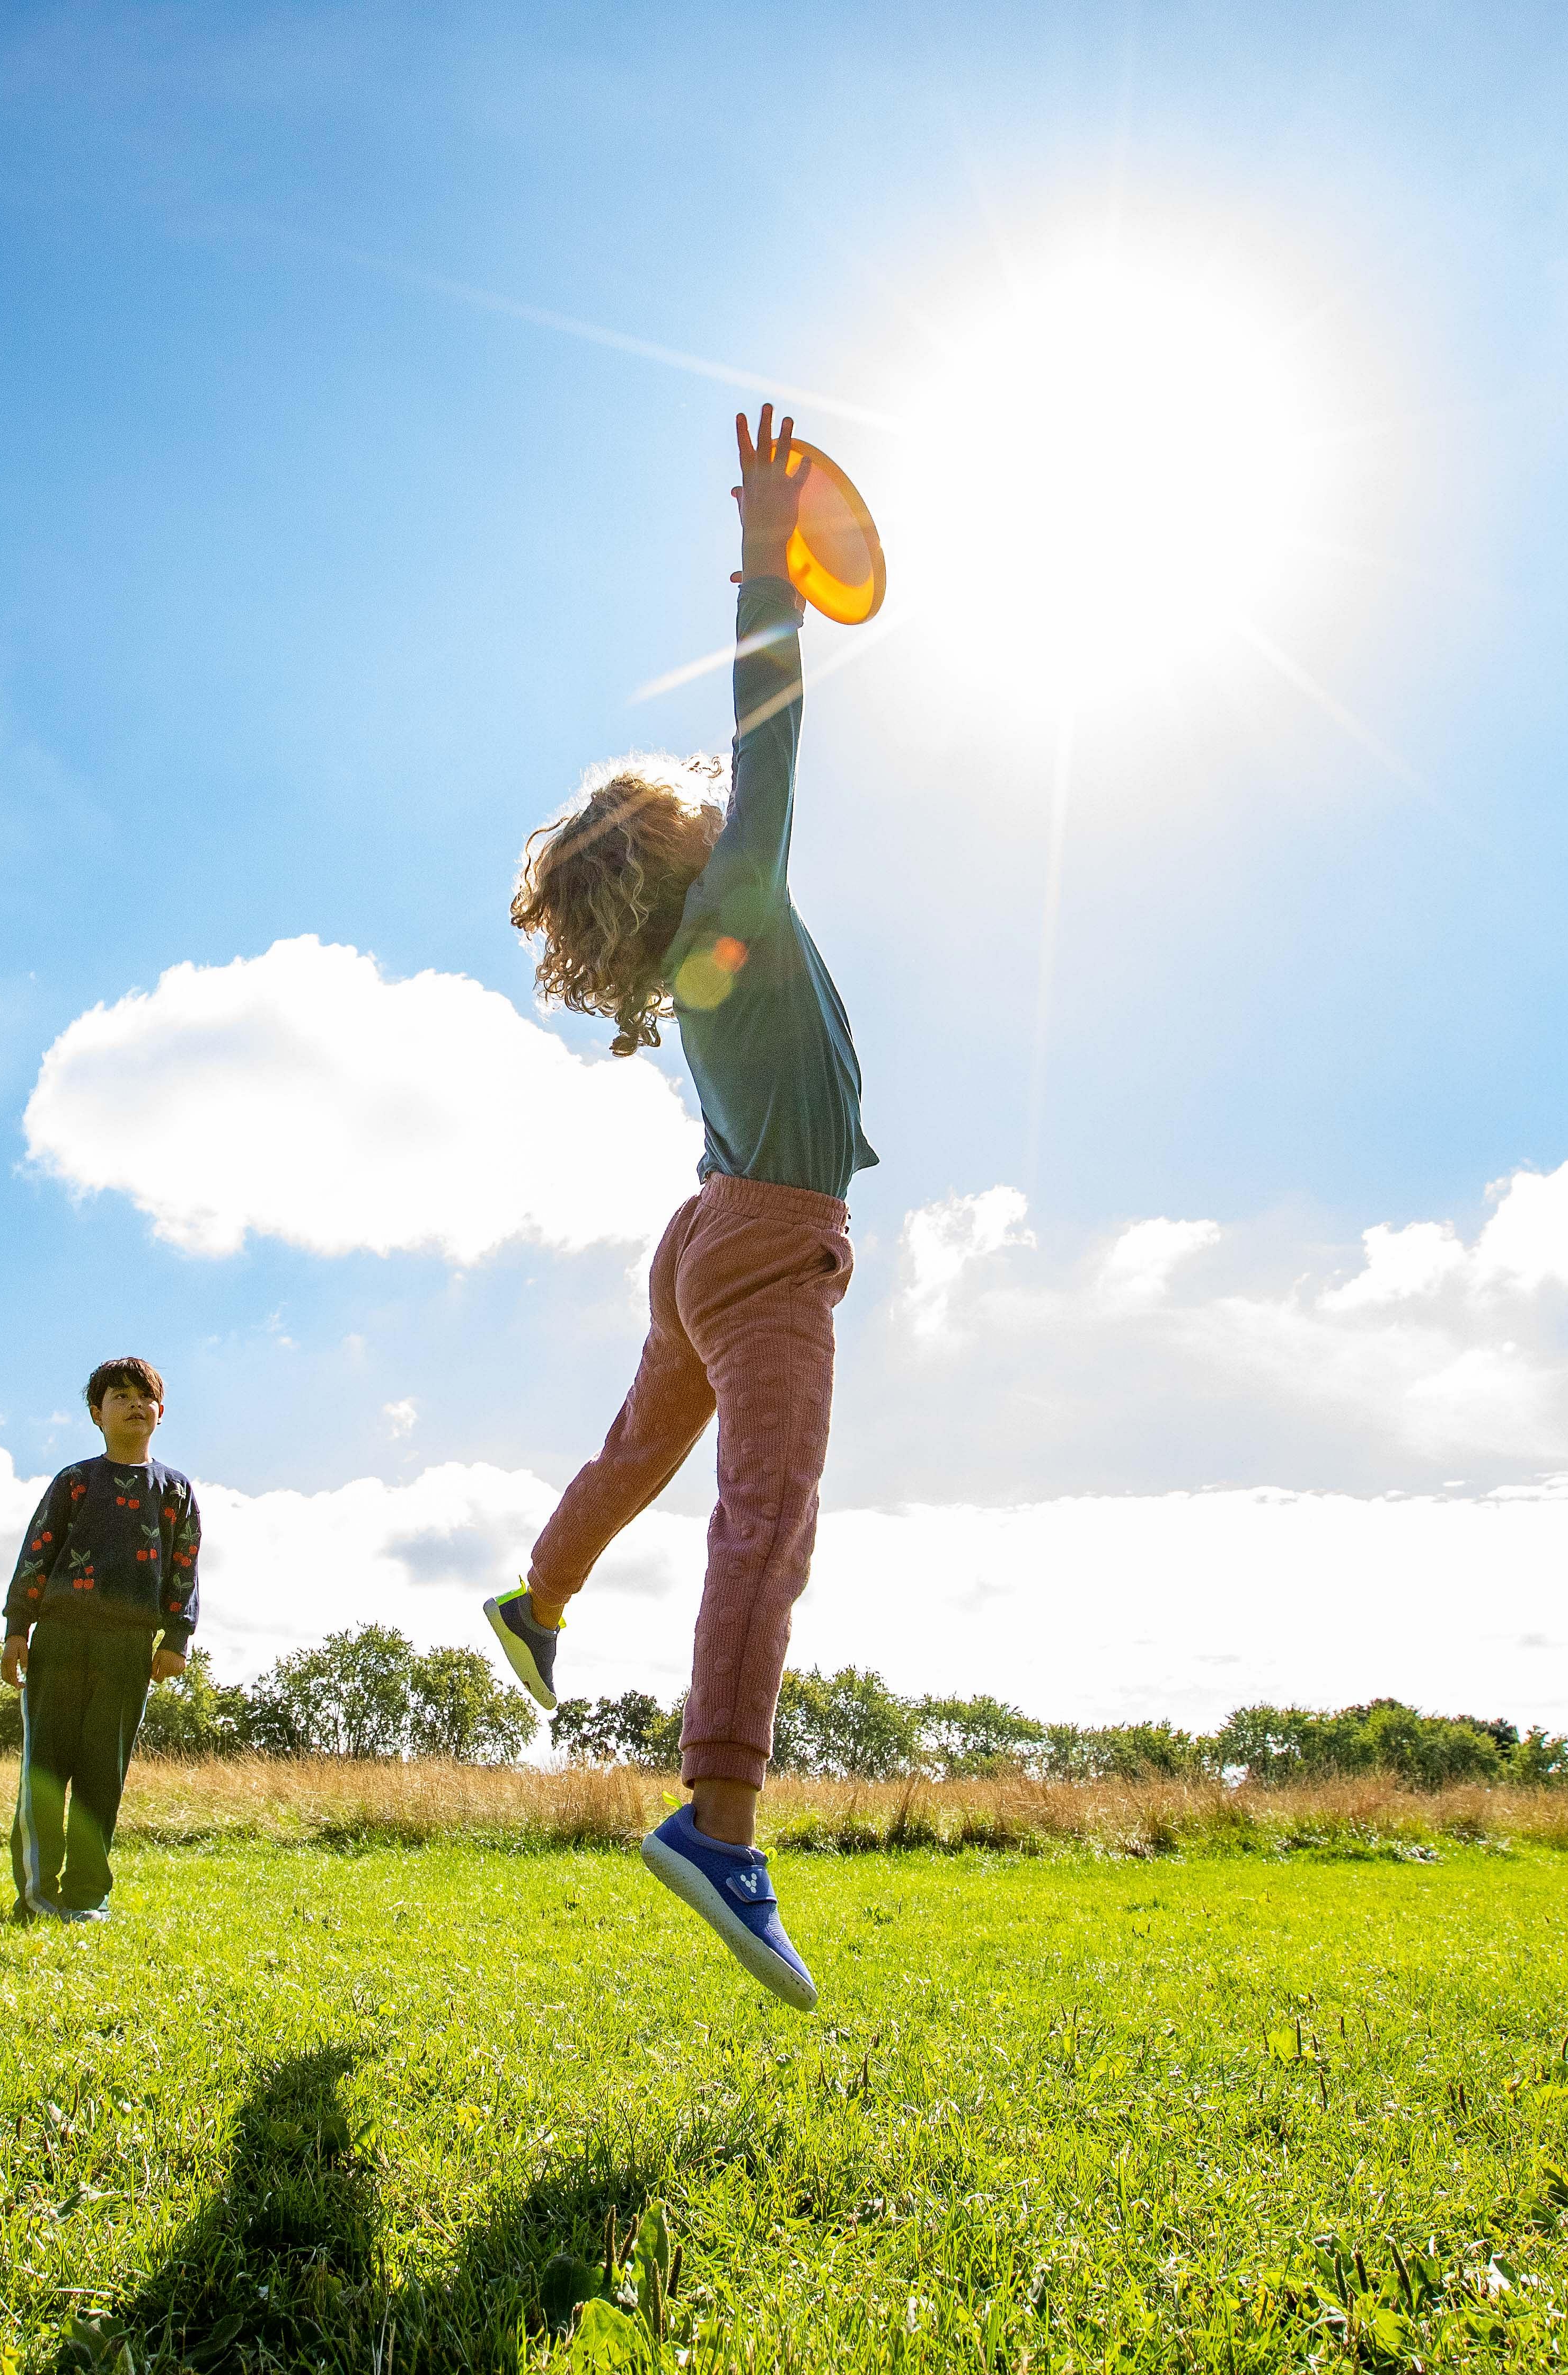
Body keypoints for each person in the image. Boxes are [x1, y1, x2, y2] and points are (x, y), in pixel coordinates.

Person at [486, 408, 871, 2011]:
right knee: (758, 1510)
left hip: (700, 1233)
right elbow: (768, 721)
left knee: (641, 1447)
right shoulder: (740, 895)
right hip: (761, 1240)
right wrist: (765, 559)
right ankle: (719, 1823)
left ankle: (538, 1591)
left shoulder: (692, 953)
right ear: (681, 842)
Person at [0, 1357, 202, 1921]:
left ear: (160, 1413)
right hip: (60, 1637)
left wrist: (176, 1638)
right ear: (97, 1413)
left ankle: (89, 1896)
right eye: (120, 1395)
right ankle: (39, 1895)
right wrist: (18, 1628)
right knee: (45, 1767)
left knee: (101, 1773)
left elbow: (185, 1566)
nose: (135, 1404)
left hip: (128, 1646)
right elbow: (36, 1553)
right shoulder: (74, 1481)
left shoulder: (175, 1490)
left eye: (145, 1396)